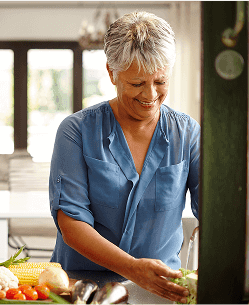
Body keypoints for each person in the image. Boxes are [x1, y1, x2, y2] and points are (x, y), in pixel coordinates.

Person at [49, 11, 199, 303]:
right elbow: (72, 224)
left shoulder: (188, 133)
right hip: (84, 289)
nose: (150, 95)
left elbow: (216, 214)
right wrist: (132, 268)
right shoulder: (76, 131)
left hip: (161, 290)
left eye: (160, 81)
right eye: (137, 83)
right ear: (111, 73)